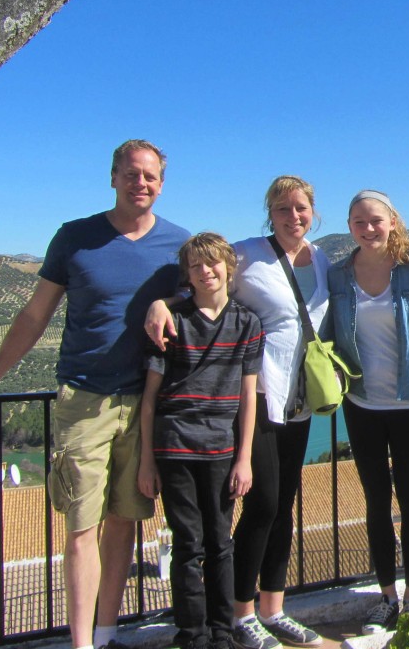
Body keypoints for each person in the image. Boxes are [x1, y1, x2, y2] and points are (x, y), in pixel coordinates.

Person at [0, 140, 190, 649]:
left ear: (162, 183)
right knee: (82, 528)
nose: (141, 184)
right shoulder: (75, 238)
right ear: (113, 177)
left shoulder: (178, 244)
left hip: (148, 403)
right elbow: (34, 316)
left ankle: (106, 636)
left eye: (150, 176)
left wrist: (164, 300)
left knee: (125, 522)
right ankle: (82, 643)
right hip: (84, 400)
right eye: (131, 174)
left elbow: (205, 296)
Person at [147, 175, 326, 649]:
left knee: (284, 505)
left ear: (314, 212)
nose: (293, 216)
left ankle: (275, 607)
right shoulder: (248, 252)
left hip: (301, 401)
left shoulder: (322, 260)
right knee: (263, 503)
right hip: (260, 398)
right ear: (271, 213)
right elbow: (203, 278)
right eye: (283, 209)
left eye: (301, 208)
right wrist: (161, 304)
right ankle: (241, 613)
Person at [137, 233, 263, 649]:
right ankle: (192, 636)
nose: (206, 271)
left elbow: (248, 396)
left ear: (229, 266)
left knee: (220, 543)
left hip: (221, 451)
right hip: (175, 446)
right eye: (196, 266)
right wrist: (146, 461)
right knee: (188, 545)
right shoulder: (174, 323)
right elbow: (151, 397)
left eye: (213, 263)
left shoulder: (247, 323)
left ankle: (222, 634)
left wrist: (244, 458)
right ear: (187, 275)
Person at [324, 190, 409, 634]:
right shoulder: (337, 276)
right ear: (349, 225)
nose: (368, 229)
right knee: (375, 500)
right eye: (358, 222)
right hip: (361, 402)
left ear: (392, 222)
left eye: (375, 221)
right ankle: (385, 595)